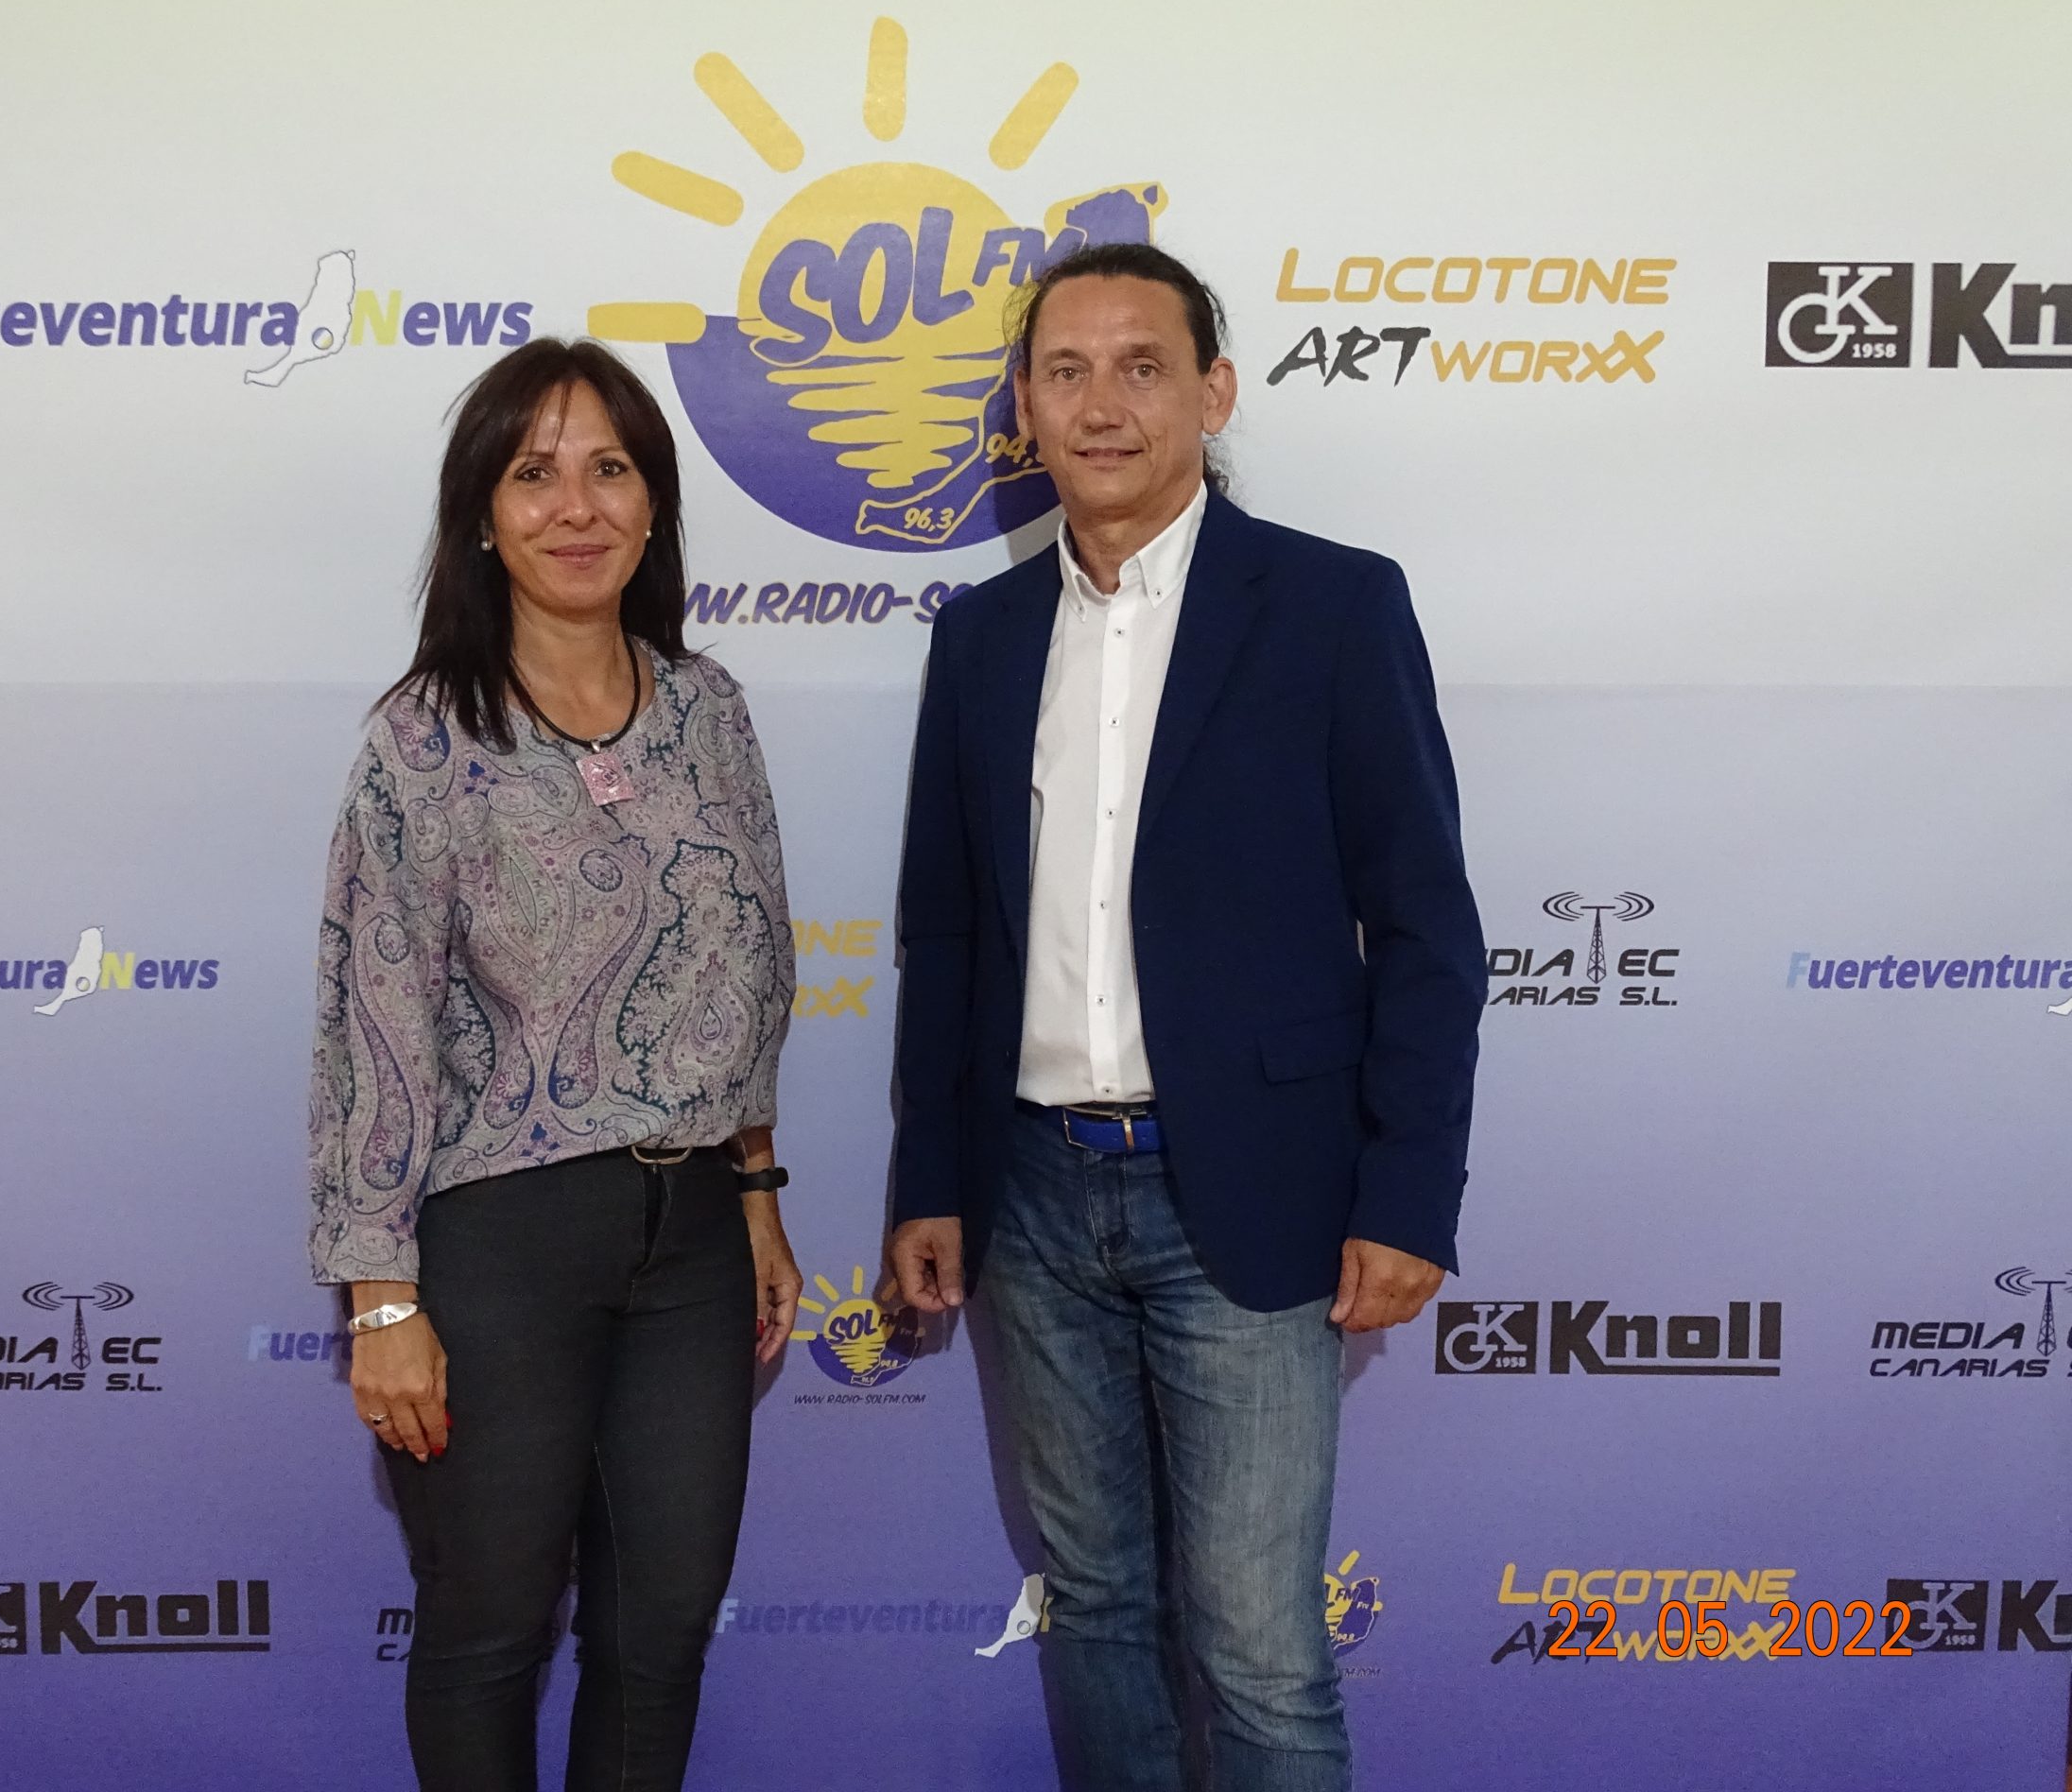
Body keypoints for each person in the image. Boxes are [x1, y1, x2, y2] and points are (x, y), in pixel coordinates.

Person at [885, 244, 1483, 1792]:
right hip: (1031, 1198)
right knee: (1094, 1610)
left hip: (1255, 1195)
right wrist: (930, 1176)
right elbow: (948, 933)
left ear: (1213, 393)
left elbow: (1426, 927)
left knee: (1263, 1651)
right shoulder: (980, 638)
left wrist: (1407, 1191)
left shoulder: (1336, 607)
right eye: (1066, 371)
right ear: (1024, 409)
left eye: (1142, 366)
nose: (1103, 405)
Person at [308, 336, 803, 1792]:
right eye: (535, 474)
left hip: (695, 1242)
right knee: (490, 1629)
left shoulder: (709, 708)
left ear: (654, 507)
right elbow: (373, 1026)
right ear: (482, 513)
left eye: (610, 470)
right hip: (501, 1244)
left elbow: (752, 965)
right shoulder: (422, 741)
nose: (576, 506)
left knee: (661, 1632)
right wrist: (380, 1297)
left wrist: (758, 1192)